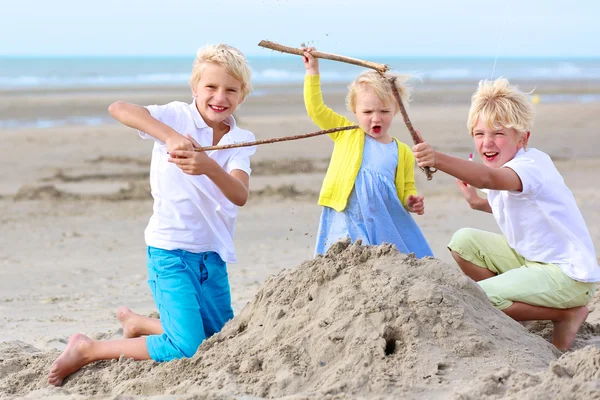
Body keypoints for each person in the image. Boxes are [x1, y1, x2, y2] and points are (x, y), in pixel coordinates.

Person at [48, 43, 256, 386]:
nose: (220, 96)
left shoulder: (241, 139)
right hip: (170, 252)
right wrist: (170, 136)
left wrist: (207, 166)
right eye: (211, 87)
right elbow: (120, 108)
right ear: (195, 89)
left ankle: (140, 324)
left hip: (212, 257)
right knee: (187, 346)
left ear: (242, 96)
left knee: (219, 337)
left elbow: (239, 194)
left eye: (230, 90)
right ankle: (88, 348)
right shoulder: (177, 116)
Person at [412, 77, 600, 351]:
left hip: (569, 276)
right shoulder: (508, 167)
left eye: (498, 133)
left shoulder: (530, 166)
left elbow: (489, 179)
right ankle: (516, 309)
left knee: (481, 296)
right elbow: (517, 205)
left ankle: (566, 314)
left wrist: (437, 159)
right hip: (531, 261)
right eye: (479, 134)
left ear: (523, 138)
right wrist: (477, 203)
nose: (487, 143)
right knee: (463, 242)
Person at [302, 48, 432, 258]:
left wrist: (410, 201)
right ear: (355, 111)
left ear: (396, 110)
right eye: (367, 112)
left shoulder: (403, 151)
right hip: (346, 215)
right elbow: (316, 109)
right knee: (343, 258)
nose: (376, 118)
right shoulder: (346, 134)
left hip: (383, 219)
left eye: (384, 111)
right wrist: (312, 71)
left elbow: (407, 186)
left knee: (388, 258)